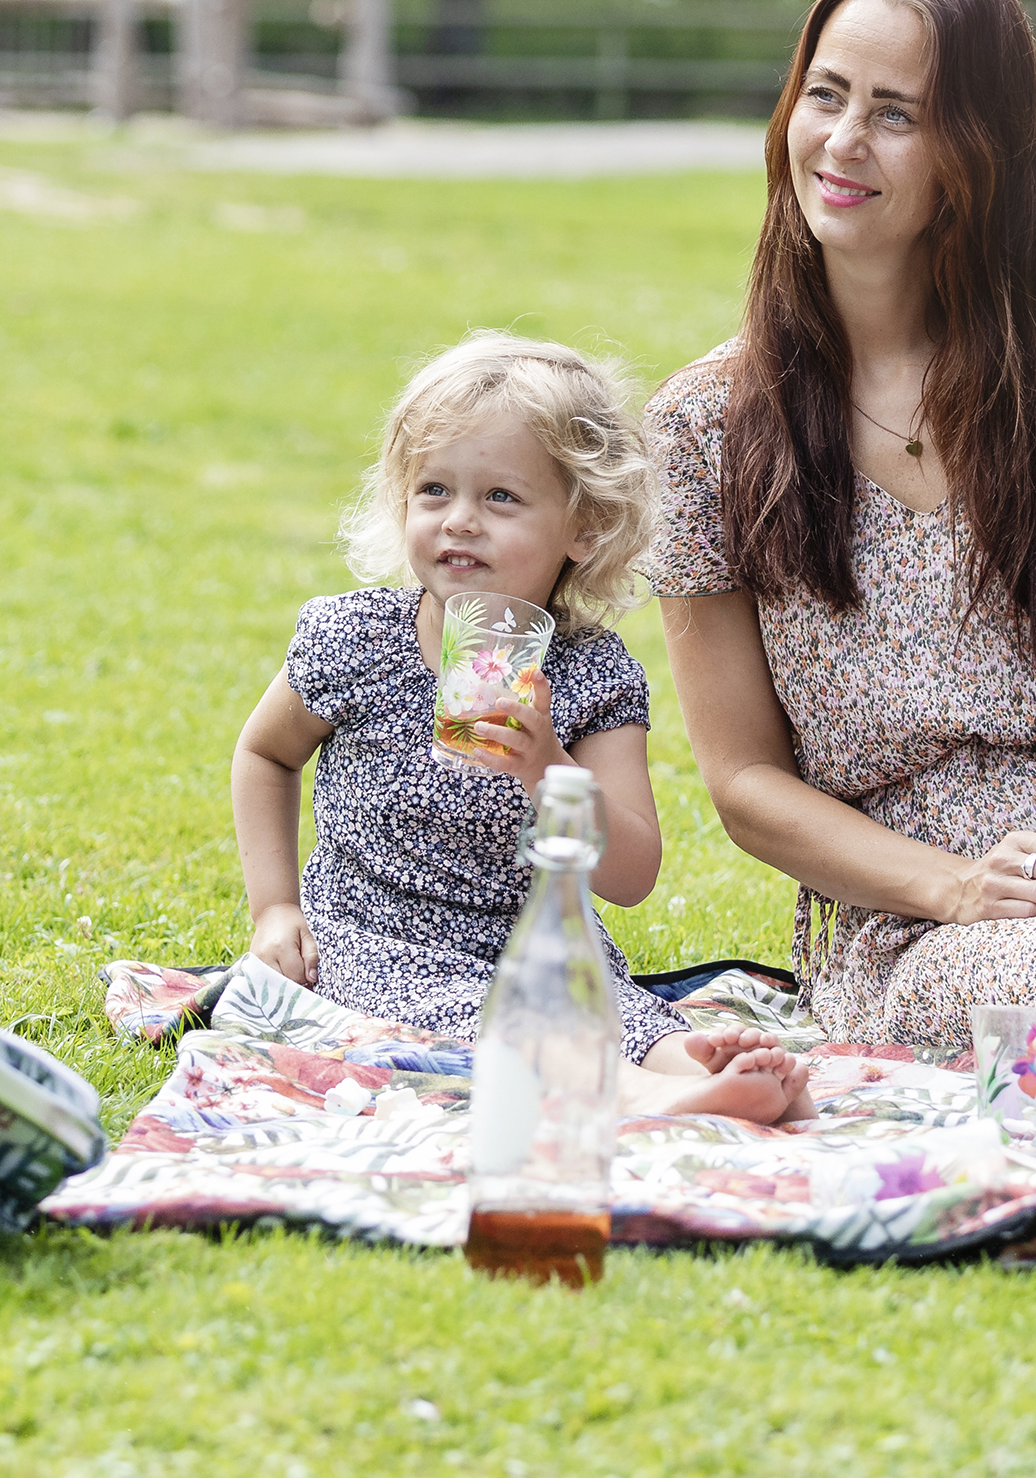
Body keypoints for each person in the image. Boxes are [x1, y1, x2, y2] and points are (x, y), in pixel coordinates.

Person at [647, 0, 1036, 1061]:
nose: (842, 141)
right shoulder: (702, 429)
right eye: (825, 95)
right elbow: (746, 784)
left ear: (976, 154)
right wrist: (965, 887)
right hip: (920, 916)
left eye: (895, 113)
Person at [230, 332, 808, 1121]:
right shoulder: (356, 639)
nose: (460, 520)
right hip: (378, 936)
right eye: (434, 489)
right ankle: (648, 1098)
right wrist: (276, 908)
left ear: (585, 527)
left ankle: (700, 1064)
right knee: (475, 1015)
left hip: (534, 939)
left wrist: (549, 768)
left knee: (615, 1005)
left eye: (500, 497)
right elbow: (266, 753)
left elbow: (632, 874)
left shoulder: (591, 673)